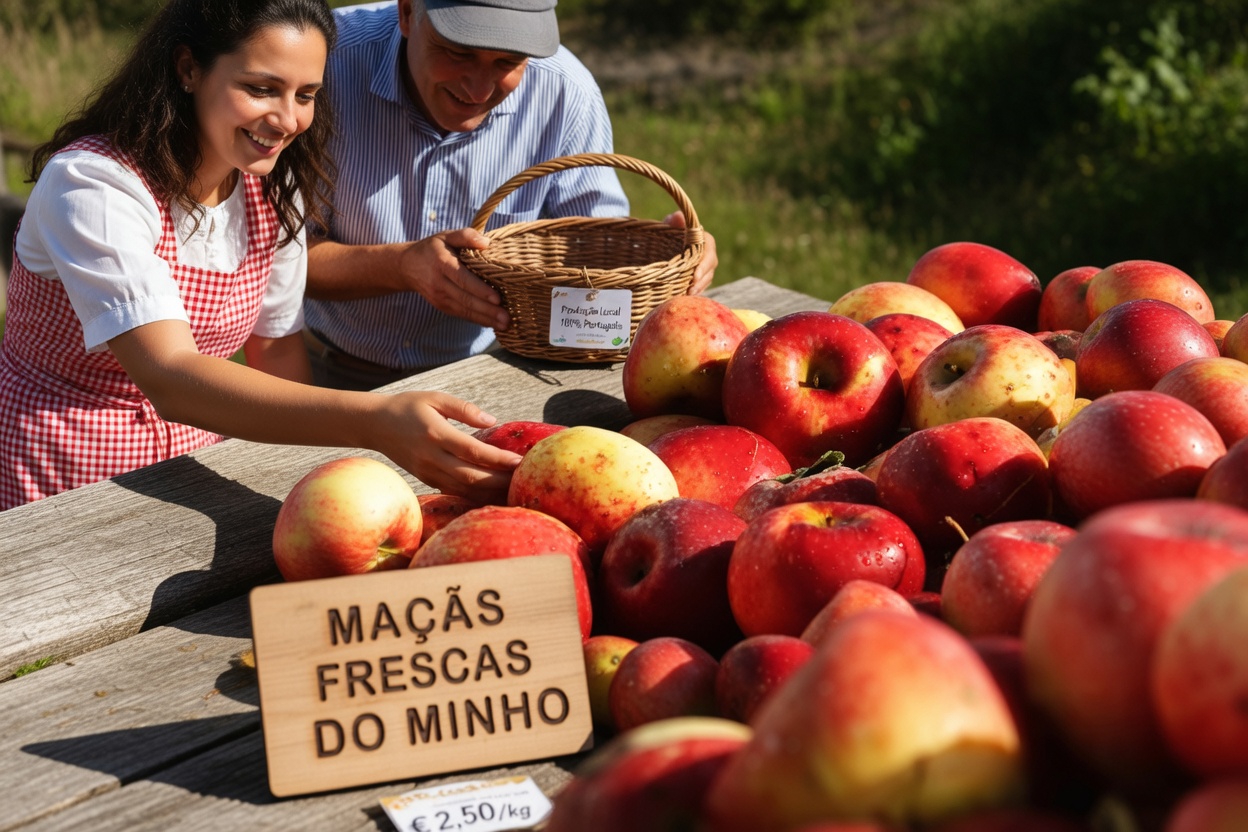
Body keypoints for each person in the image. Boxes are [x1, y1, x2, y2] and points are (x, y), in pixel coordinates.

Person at [0, 0, 520, 511]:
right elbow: (169, 374)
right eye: (261, 89)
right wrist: (373, 421)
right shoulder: (94, 185)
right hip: (62, 470)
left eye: (306, 95)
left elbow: (277, 352)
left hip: (193, 464)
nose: (288, 120)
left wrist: (320, 490)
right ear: (189, 68)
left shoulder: (269, 191)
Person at [302, 0, 718, 391]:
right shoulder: (320, 66)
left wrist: (662, 258)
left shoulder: (565, 93)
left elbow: (594, 269)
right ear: (408, 12)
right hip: (323, 369)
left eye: (507, 62)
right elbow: (274, 258)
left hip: (492, 373)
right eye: (458, 52)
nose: (478, 90)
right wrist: (401, 267)